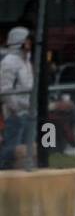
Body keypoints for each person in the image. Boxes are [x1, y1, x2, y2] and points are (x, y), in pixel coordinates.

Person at [0, 26, 34, 169]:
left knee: (29, 147)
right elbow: (4, 88)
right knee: (12, 147)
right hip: (15, 114)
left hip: (28, 111)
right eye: (27, 40)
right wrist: (15, 109)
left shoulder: (26, 60)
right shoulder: (9, 61)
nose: (30, 43)